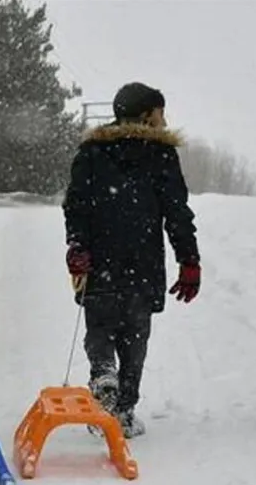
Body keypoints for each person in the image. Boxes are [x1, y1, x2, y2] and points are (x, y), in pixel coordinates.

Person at [62, 82, 201, 438]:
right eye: (160, 112)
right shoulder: (162, 155)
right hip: (143, 263)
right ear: (146, 115)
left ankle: (103, 373)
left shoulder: (92, 152)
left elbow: (76, 204)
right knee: (135, 337)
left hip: (100, 261)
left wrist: (77, 245)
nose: (164, 120)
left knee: (100, 327)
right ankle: (123, 410)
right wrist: (189, 260)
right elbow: (177, 213)